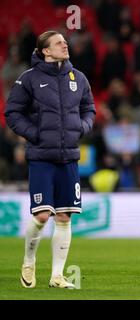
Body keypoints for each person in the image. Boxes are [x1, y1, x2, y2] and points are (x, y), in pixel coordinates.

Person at [5, 30, 96, 289]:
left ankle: (57, 276)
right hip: (42, 157)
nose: (65, 45)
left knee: (65, 217)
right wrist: (35, 134)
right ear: (45, 50)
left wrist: (82, 126)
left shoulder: (78, 78)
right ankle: (29, 261)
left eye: (65, 42)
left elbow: (89, 108)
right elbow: (12, 112)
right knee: (43, 216)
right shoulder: (29, 79)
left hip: (69, 156)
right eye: (58, 43)